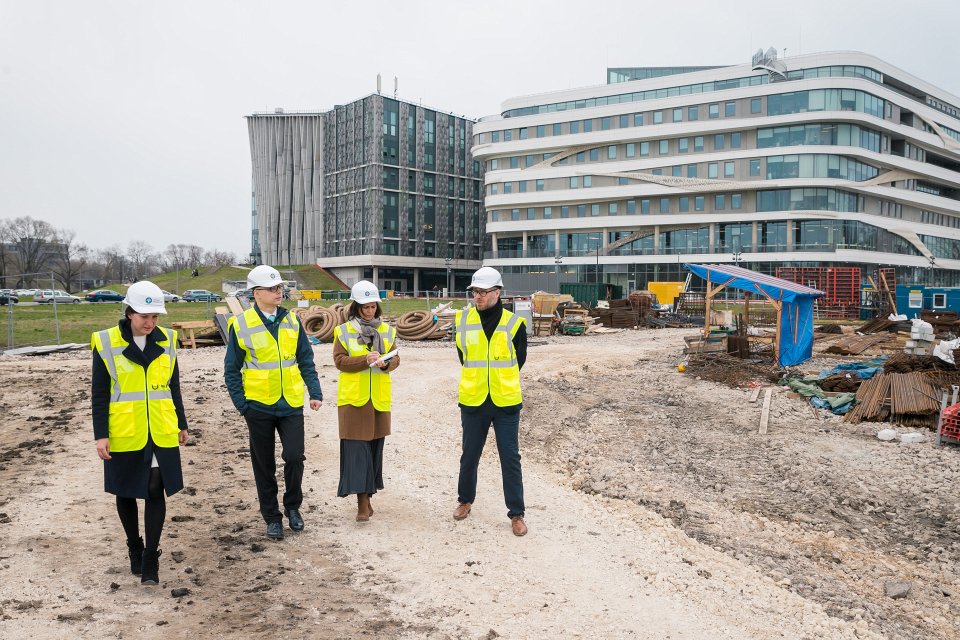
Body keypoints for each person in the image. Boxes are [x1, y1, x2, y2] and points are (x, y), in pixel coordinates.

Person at [91, 280, 189, 585]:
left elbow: (173, 387)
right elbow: (99, 393)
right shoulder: (106, 342)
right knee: (126, 490)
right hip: (125, 429)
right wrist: (101, 434)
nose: (150, 322)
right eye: (145, 316)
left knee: (155, 488)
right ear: (129, 312)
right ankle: (134, 545)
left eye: (155, 317)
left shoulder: (168, 341)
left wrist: (182, 422)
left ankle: (150, 558)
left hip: (160, 428)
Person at [224, 265, 323, 540]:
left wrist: (314, 392)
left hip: (290, 402)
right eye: (272, 288)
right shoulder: (241, 325)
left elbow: (305, 359)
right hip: (258, 406)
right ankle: (271, 517)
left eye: (279, 287)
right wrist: (242, 405)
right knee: (263, 465)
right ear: (257, 293)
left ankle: (293, 508)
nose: (278, 292)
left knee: (294, 456)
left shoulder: (292, 321)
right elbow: (231, 369)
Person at [453, 267, 529, 536]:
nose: (478, 297)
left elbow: (519, 360)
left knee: (510, 458)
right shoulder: (462, 320)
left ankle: (516, 514)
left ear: (497, 293)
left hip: (505, 401)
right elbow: (463, 356)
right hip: (474, 400)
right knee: (469, 455)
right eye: (475, 292)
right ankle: (465, 501)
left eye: (483, 292)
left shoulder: (514, 323)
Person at [332, 281, 400, 521]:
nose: (370, 311)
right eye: (365, 307)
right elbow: (339, 361)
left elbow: (396, 359)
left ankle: (368, 497)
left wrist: (386, 363)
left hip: (378, 400)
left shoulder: (387, 331)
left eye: (373, 306)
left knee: (373, 451)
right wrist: (364, 360)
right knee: (356, 451)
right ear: (356, 306)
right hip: (354, 401)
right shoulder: (343, 331)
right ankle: (361, 503)